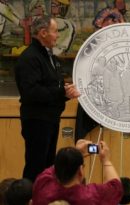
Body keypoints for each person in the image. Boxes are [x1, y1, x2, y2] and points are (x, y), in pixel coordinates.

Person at [14, 15, 80, 182]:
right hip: (37, 120)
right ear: (43, 33)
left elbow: (52, 87)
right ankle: (29, 199)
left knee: (48, 167)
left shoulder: (50, 57)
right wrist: (60, 92)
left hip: (51, 119)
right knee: (36, 167)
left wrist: (66, 93)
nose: (57, 35)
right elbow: (31, 92)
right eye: (55, 31)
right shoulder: (30, 58)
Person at [32, 139, 123, 204]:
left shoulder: (42, 186)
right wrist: (106, 160)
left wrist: (73, 155)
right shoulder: (90, 196)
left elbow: (54, 169)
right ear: (80, 171)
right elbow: (116, 187)